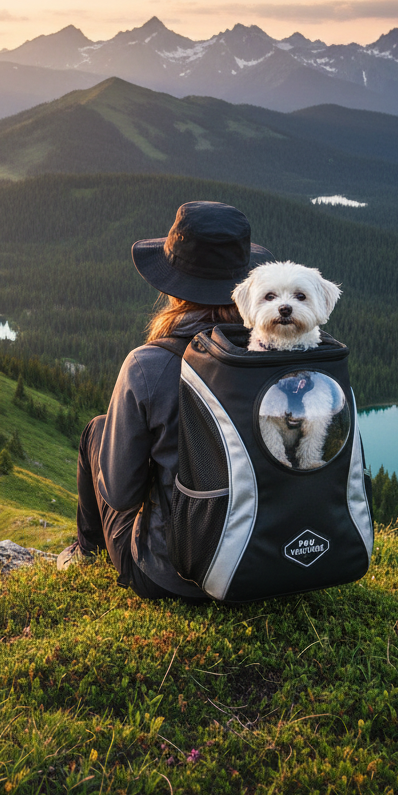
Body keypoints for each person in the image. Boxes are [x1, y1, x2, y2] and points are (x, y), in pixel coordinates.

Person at [57, 200, 273, 599]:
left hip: (172, 578)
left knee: (97, 430)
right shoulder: (277, 355)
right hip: (267, 562)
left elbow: (120, 495)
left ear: (172, 288)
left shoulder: (148, 365)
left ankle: (86, 552)